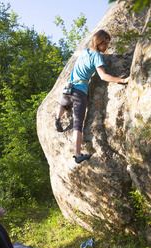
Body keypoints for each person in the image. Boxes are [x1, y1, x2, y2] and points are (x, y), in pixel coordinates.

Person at [55, 30, 130, 164]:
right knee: (78, 125)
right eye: (105, 43)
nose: (106, 46)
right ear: (98, 42)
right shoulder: (96, 56)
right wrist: (123, 80)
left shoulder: (84, 51)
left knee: (63, 104)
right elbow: (103, 76)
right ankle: (77, 155)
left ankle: (57, 119)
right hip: (80, 91)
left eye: (107, 43)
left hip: (68, 88)